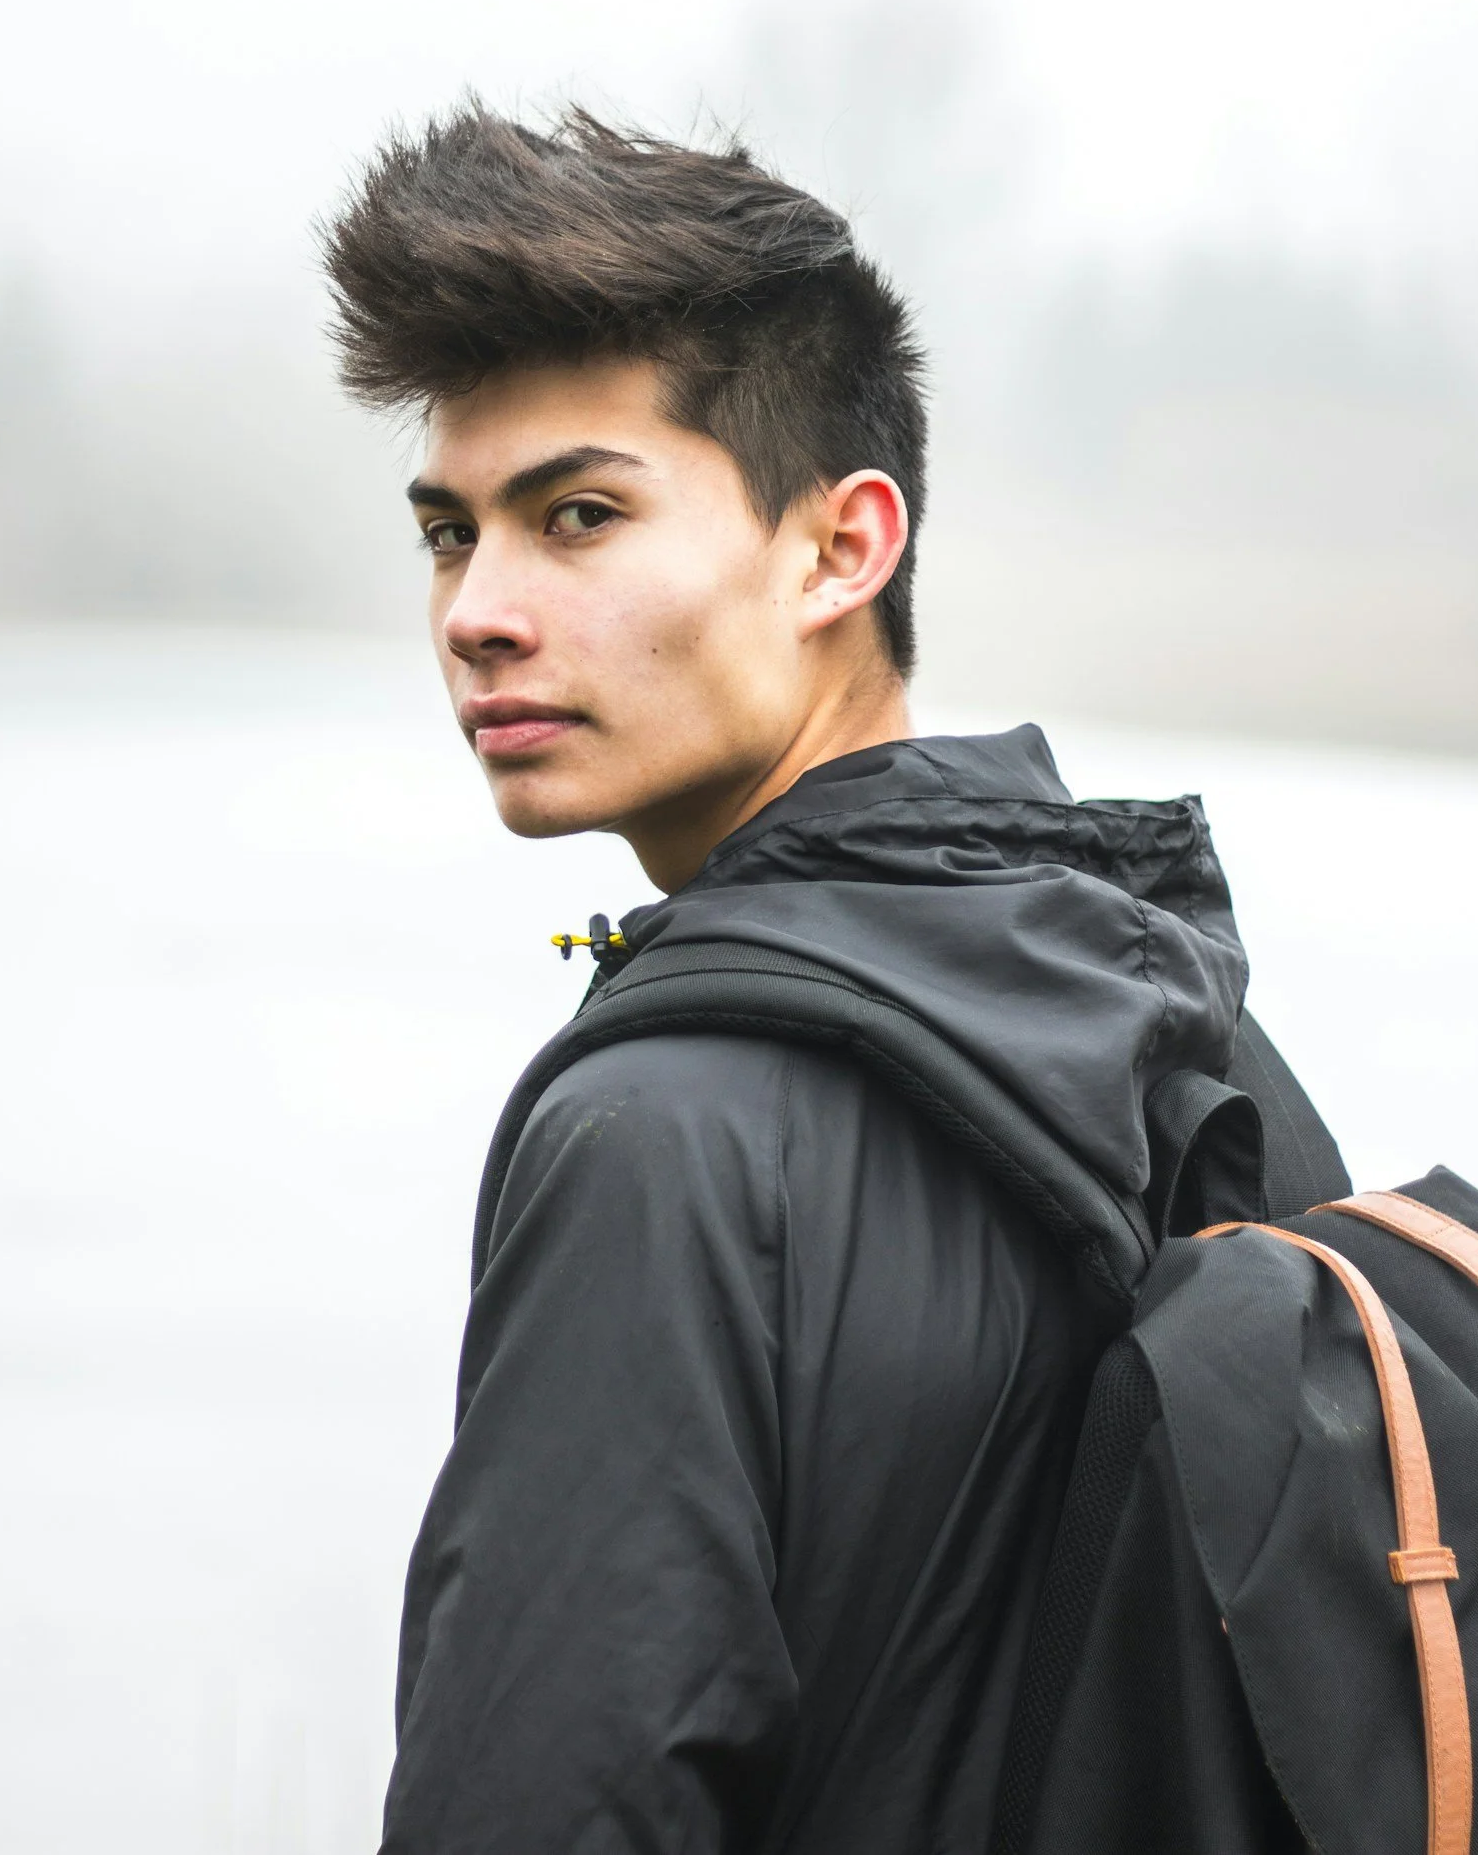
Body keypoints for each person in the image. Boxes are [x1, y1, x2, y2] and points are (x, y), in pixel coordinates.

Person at [323, 105, 1253, 1853]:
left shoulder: (660, 1142)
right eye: (449, 533)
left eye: (576, 516)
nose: (475, 610)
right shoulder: (1158, 1001)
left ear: (841, 548)